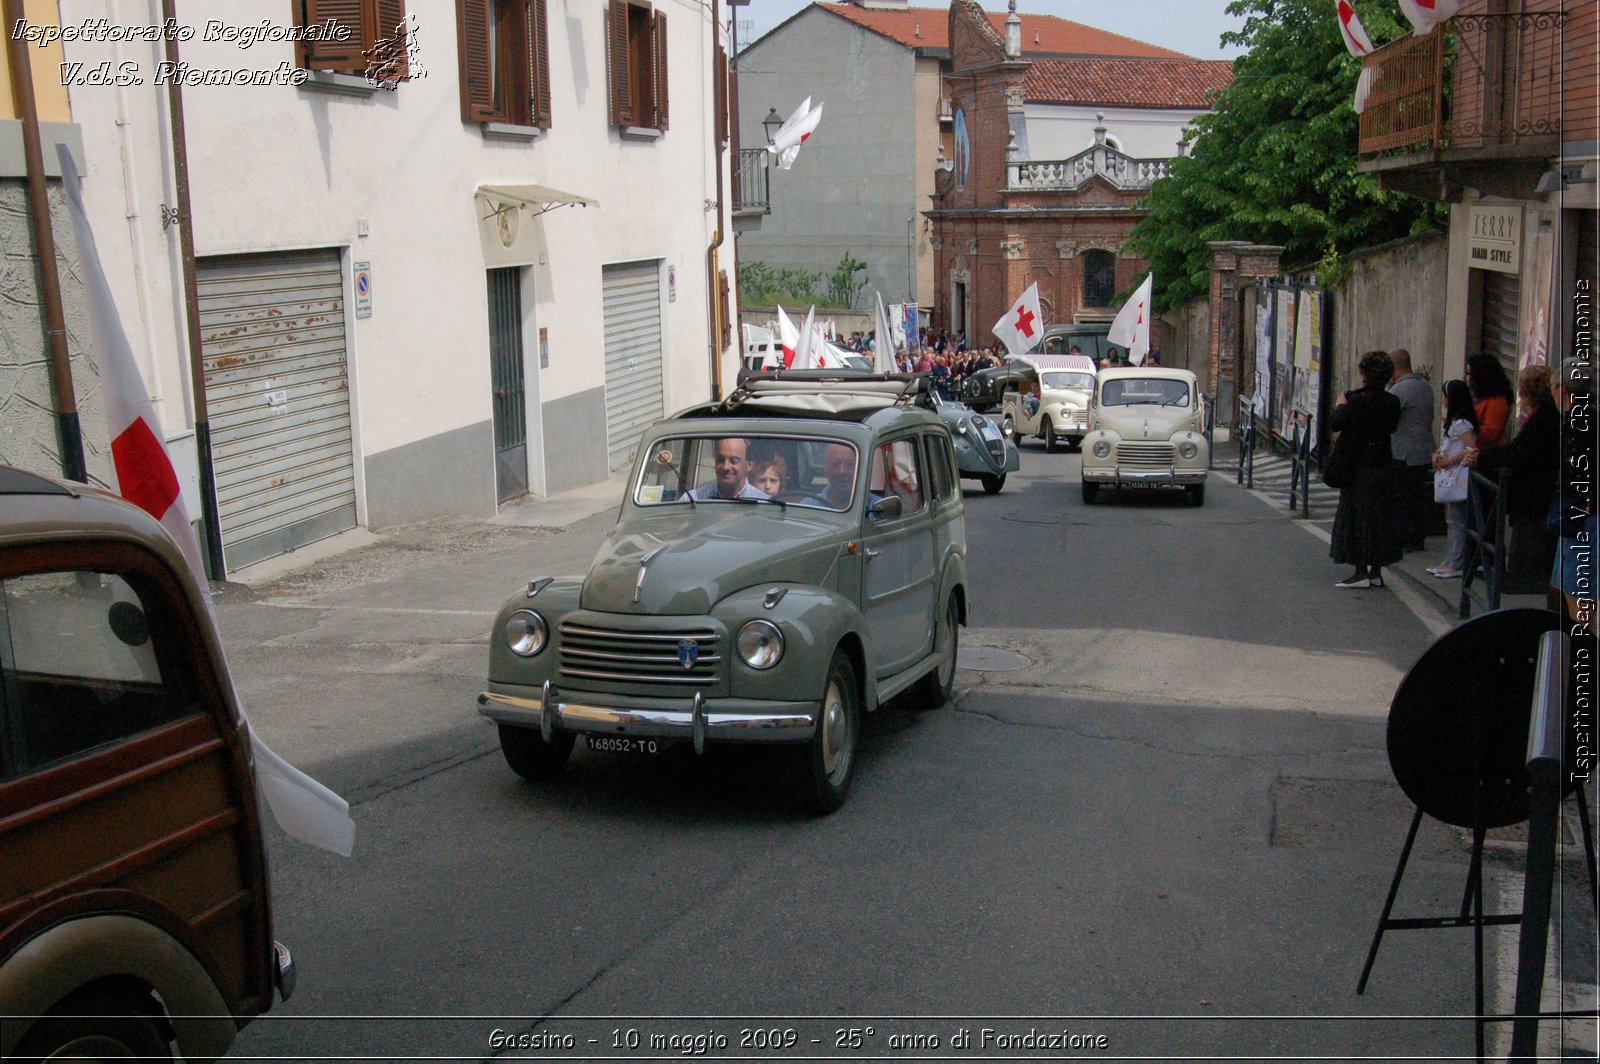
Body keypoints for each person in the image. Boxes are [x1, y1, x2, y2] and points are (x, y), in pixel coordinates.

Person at [1469, 364, 1559, 593]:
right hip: (1534, 491)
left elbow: (1518, 452)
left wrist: (1482, 458)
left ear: (1525, 392)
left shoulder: (1544, 419)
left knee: (1531, 538)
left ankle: (1526, 579)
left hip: (1536, 492)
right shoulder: (1545, 416)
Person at [1329, 350, 1403, 588]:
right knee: (1380, 518)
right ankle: (1375, 571)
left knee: (1356, 517)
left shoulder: (1356, 400)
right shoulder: (1392, 401)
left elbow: (1335, 423)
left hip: (1358, 466)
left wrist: (1340, 405)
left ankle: (1360, 571)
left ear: (1363, 374)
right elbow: (1391, 427)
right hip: (1383, 464)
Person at [1550, 355, 1596, 621]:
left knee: (1579, 592)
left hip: (1582, 517)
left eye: (1553, 388)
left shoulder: (1579, 423)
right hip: (1580, 515)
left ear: (1562, 389)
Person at [1426, 380, 1478, 579]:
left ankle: (1456, 561)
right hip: (1450, 473)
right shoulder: (1455, 422)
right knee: (1452, 520)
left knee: (1457, 521)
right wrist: (1437, 455)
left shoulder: (1462, 424)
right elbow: (1449, 445)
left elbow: (1470, 448)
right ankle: (1450, 559)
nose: (1444, 400)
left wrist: (1449, 460)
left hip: (1458, 474)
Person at [1387, 349, 1435, 552]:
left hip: (1403, 451)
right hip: (1424, 449)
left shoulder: (1399, 391)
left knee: (1400, 496)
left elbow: (1390, 419)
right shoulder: (1424, 386)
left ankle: (1404, 538)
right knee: (1418, 495)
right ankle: (1417, 537)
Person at [689, 437, 769, 500]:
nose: (725, 467)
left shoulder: (764, 505)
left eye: (733, 461)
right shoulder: (692, 500)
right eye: (720, 459)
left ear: (749, 465)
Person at [1466, 354, 1514, 448]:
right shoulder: (1476, 396)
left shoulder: (1497, 402)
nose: (1467, 378)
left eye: (1469, 374)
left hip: (1485, 454)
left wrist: (1466, 428)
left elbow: (1491, 433)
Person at [805, 442, 857, 509]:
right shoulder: (809, 505)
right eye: (836, 464)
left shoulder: (873, 507)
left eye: (849, 465)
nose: (842, 471)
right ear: (826, 470)